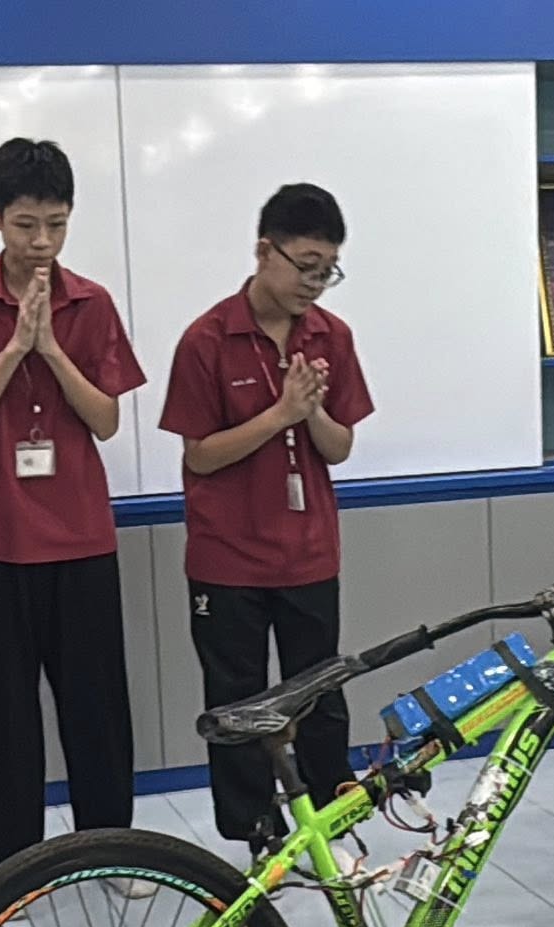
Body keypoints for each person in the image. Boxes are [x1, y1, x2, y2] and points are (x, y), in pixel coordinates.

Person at [0, 139, 149, 874]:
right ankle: (12, 865)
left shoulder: (93, 302)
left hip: (81, 539)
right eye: (25, 224)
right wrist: (16, 347)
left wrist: (51, 347)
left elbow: (106, 420)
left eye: (56, 223)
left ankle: (110, 850)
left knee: (96, 708)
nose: (42, 241)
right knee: (1, 715)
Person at [157, 183, 375, 849]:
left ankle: (331, 823)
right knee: (238, 702)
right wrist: (279, 414)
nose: (315, 283)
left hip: (309, 552)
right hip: (228, 560)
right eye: (306, 265)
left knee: (321, 695)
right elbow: (201, 455)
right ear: (263, 251)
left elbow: (339, 447)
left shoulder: (332, 336)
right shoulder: (206, 339)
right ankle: (256, 832)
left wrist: (310, 412)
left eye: (327, 270)